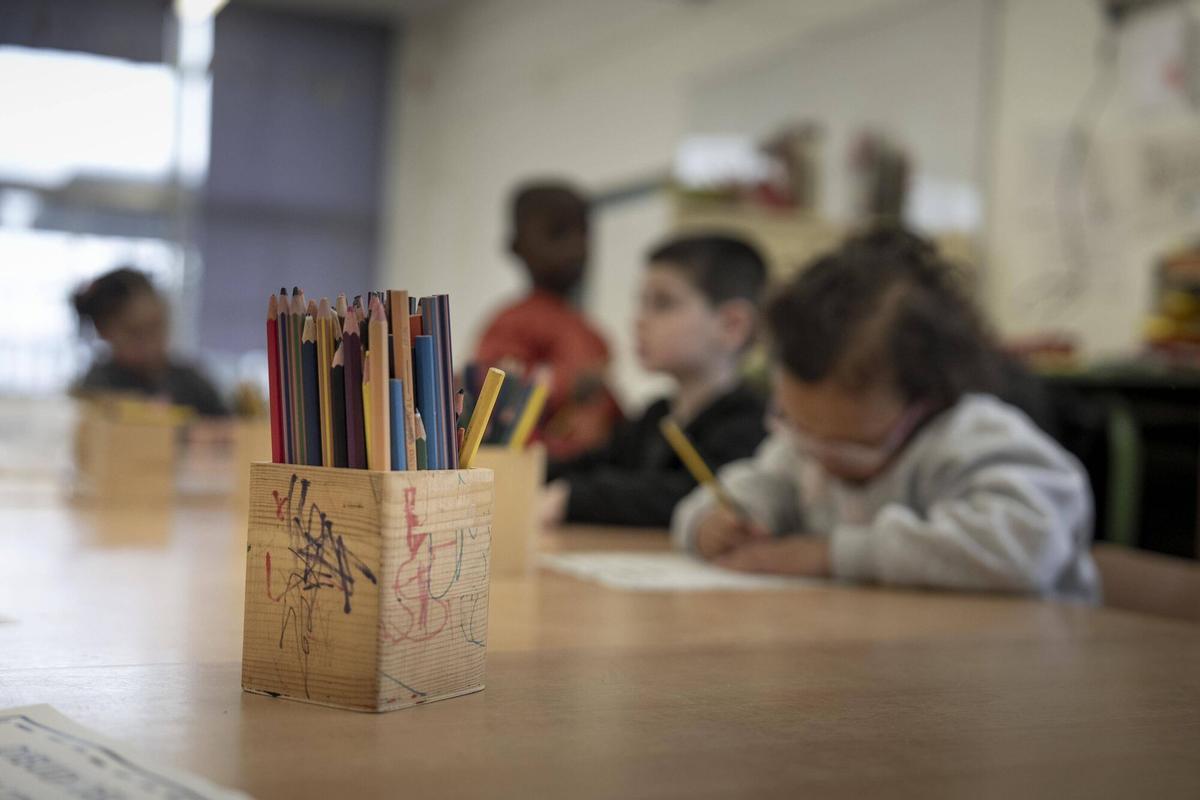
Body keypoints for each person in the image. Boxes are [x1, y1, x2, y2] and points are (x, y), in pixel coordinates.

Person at [672, 229, 1098, 601]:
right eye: (795, 425)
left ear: (924, 402)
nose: (817, 456)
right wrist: (713, 523)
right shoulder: (805, 445)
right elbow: (759, 484)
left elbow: (1027, 546)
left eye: (846, 444)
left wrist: (831, 556)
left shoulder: (973, 438)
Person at [542, 233, 769, 528]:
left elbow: (699, 495)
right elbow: (592, 466)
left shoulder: (752, 421)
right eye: (642, 303)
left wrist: (573, 498)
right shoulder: (657, 416)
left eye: (663, 303)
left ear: (732, 325)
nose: (639, 320)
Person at [475, 180, 620, 460]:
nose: (576, 248)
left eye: (584, 234)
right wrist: (569, 382)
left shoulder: (590, 331)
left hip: (592, 470)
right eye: (558, 233)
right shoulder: (512, 324)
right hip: (533, 467)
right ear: (517, 246)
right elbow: (494, 396)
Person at [72, 267, 227, 416]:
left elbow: (229, 423)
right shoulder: (98, 387)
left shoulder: (191, 382)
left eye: (156, 327)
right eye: (136, 333)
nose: (151, 343)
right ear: (104, 332)